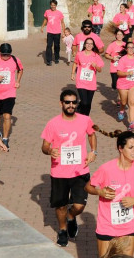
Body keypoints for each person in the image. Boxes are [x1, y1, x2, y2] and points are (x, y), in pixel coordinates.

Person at [40, 89, 98, 247]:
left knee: (79, 205)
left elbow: (92, 135)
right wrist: (50, 150)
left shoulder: (85, 120)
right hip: (59, 171)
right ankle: (63, 230)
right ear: (61, 103)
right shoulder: (53, 123)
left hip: (80, 170)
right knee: (60, 206)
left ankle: (71, 217)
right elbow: (44, 146)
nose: (71, 105)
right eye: (68, 102)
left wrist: (93, 152)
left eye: (74, 102)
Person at [85, 130, 134, 258]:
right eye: (131, 147)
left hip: (128, 226)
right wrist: (99, 191)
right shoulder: (106, 169)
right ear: (120, 148)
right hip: (107, 225)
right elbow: (88, 186)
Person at [116, 41, 134, 131]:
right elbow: (118, 72)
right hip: (123, 83)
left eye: (132, 47)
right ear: (126, 49)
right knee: (124, 102)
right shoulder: (123, 59)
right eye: (129, 47)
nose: (131, 49)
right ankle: (122, 110)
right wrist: (127, 73)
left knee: (132, 103)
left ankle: (132, 122)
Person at [71, 37, 104, 116]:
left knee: (88, 103)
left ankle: (86, 118)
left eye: (91, 44)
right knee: (84, 102)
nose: (89, 45)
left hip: (91, 83)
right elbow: (75, 63)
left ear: (93, 46)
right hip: (81, 81)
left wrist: (96, 66)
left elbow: (100, 70)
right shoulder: (79, 54)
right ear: (84, 45)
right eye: (87, 43)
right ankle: (81, 117)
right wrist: (72, 73)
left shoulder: (95, 56)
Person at [105, 29, 126, 108]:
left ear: (123, 36)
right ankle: (114, 86)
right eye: (118, 34)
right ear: (115, 35)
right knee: (115, 84)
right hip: (114, 68)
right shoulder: (112, 45)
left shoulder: (125, 45)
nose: (119, 36)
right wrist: (112, 58)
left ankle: (119, 99)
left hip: (123, 68)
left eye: (121, 34)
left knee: (121, 83)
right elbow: (106, 55)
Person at [41, 0, 65, 66]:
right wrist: (42, 26)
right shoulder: (47, 12)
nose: (53, 6)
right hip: (50, 31)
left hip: (57, 32)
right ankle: (49, 60)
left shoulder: (59, 13)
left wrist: (64, 31)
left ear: (56, 5)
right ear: (50, 5)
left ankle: (57, 58)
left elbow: (62, 23)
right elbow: (45, 20)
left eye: (54, 5)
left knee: (57, 46)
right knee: (49, 46)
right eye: (52, 5)